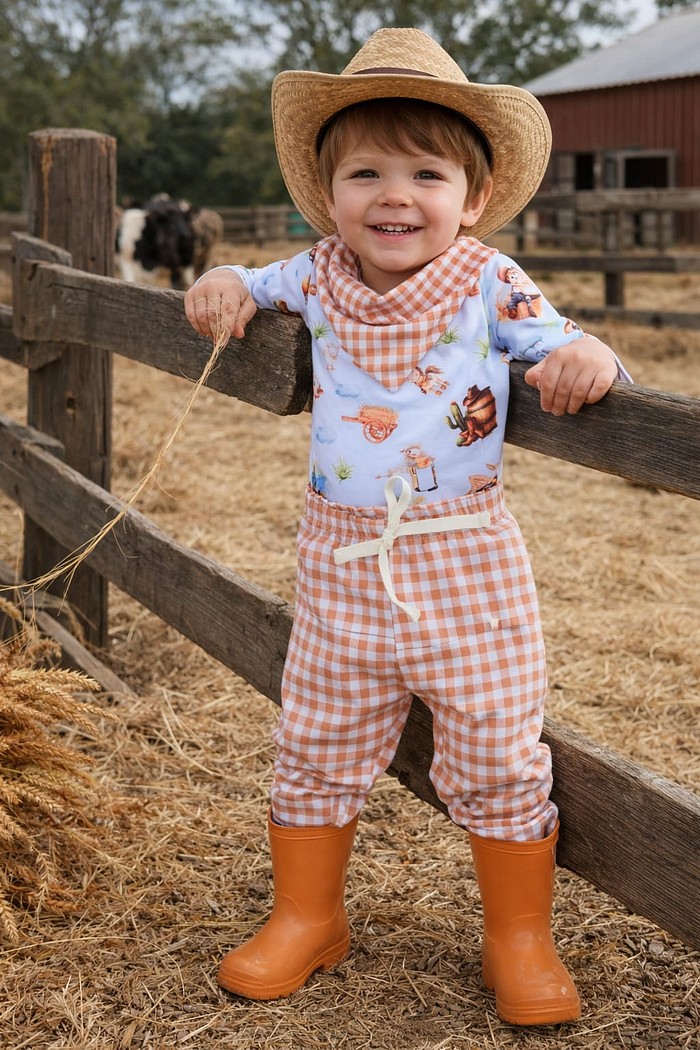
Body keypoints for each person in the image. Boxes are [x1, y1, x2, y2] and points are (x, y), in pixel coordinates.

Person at [184, 27, 631, 1027]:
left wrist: (588, 354)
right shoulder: (314, 273)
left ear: (471, 199)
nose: (395, 194)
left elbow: (560, 340)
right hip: (340, 553)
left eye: (426, 173)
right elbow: (245, 288)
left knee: (496, 744)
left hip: (461, 551)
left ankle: (517, 935)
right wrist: (218, 284)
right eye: (366, 172)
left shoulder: (487, 281)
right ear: (328, 190)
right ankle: (309, 915)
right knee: (316, 733)